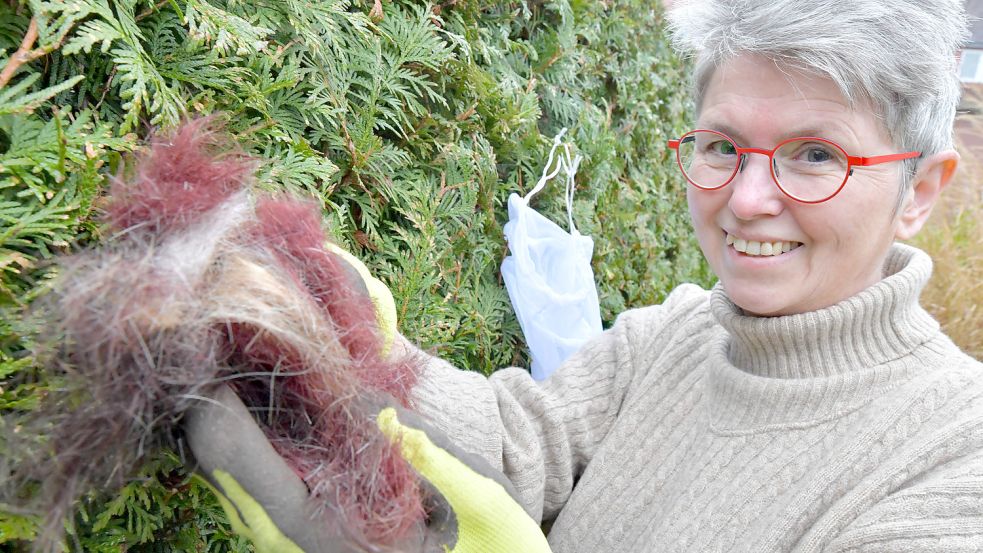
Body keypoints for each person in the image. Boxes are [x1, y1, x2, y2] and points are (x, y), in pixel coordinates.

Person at [188, 0, 983, 551]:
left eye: (817, 156)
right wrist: (360, 337)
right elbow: (519, 439)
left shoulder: (952, 459)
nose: (746, 199)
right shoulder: (670, 335)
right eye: (720, 147)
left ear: (917, 189)